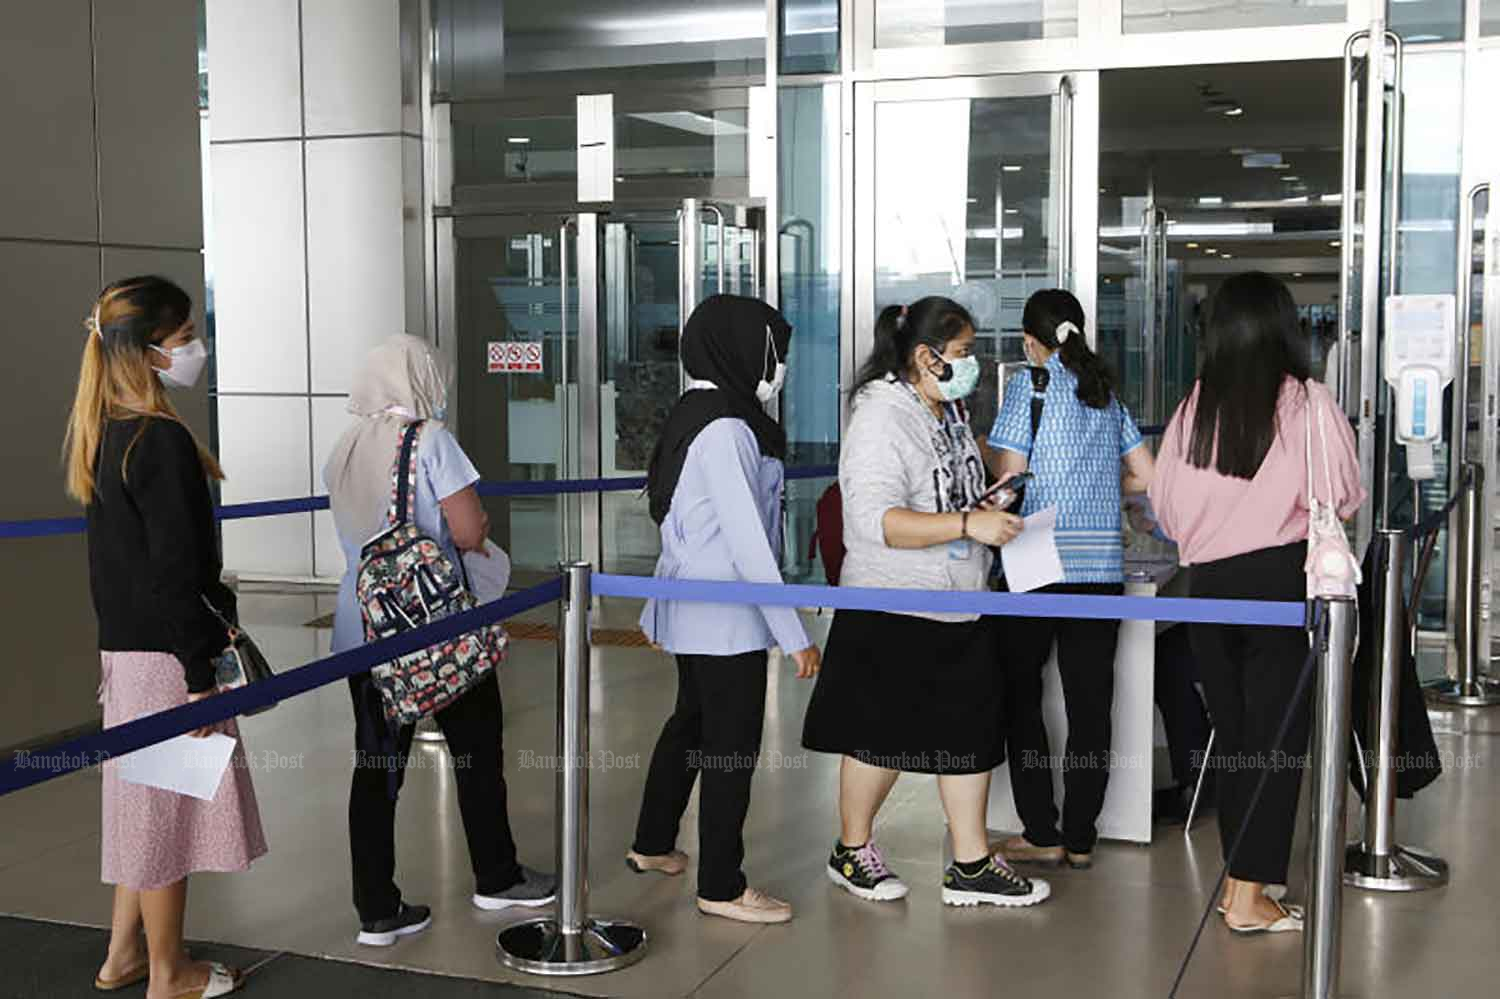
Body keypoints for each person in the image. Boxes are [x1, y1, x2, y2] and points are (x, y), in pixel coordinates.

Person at [802, 295, 1049, 909]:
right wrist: (968, 524)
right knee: (879, 737)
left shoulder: (944, 408)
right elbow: (876, 521)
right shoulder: (882, 417)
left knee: (970, 730)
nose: (970, 366)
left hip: (958, 600)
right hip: (893, 605)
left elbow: (950, 492)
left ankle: (969, 863)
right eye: (962, 354)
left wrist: (985, 505)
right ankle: (851, 850)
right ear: (924, 356)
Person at [66, 276, 266, 999]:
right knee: (164, 822)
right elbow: (177, 571)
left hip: (125, 654)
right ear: (149, 352)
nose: (195, 350)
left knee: (139, 808)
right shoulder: (160, 441)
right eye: (184, 338)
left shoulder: (105, 433)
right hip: (166, 661)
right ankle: (168, 971)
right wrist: (199, 670)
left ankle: (123, 953)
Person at [1150, 272, 1363, 934]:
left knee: (1239, 739)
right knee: (1276, 743)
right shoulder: (1306, 400)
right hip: (1280, 585)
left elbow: (1164, 507)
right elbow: (1344, 493)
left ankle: (1242, 881)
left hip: (1208, 588)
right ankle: (1247, 895)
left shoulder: (1195, 406)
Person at [325, 335, 555, 947]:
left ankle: (376, 907)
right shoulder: (429, 440)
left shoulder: (346, 445)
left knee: (376, 765)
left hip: (363, 623)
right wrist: (477, 535)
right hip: (434, 627)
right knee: (477, 750)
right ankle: (497, 876)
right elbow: (467, 526)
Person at [628, 295, 822, 925]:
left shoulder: (696, 412)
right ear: (741, 350)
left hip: (693, 611)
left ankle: (653, 844)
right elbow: (747, 543)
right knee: (730, 749)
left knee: (690, 725)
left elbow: (678, 524)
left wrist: (657, 614)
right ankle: (721, 885)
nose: (779, 366)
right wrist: (794, 635)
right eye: (775, 353)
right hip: (728, 619)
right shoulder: (730, 429)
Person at [984, 288, 1154, 870]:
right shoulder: (1105, 393)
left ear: (1030, 341)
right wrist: (1102, 492)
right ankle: (1081, 838)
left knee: (1021, 697)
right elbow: (1146, 475)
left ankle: (1042, 830)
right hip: (1100, 568)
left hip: (1034, 561)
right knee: (1090, 703)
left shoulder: (1028, 387)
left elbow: (1010, 475)